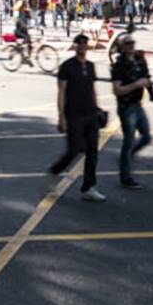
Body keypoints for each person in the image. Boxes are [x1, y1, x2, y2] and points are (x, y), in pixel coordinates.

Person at [49, 34, 106, 202]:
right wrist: (61, 118)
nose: (82, 46)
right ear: (75, 46)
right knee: (74, 150)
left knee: (92, 152)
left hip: (91, 114)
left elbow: (92, 90)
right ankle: (54, 171)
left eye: (84, 43)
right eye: (79, 43)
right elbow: (61, 92)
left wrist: (98, 109)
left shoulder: (90, 66)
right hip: (73, 115)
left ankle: (88, 188)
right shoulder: (67, 66)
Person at [110, 34, 153, 189]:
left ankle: (127, 157)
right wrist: (136, 84)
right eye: (127, 43)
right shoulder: (119, 65)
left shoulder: (140, 60)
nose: (131, 45)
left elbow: (147, 79)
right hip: (126, 107)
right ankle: (125, 177)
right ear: (122, 47)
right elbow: (117, 90)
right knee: (129, 140)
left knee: (146, 136)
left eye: (132, 42)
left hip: (137, 105)